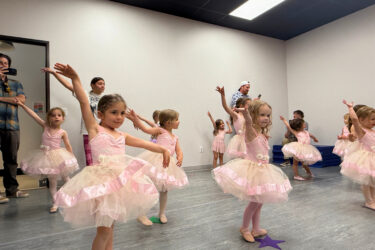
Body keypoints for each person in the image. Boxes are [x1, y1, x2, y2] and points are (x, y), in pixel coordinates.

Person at [53, 63, 170, 250]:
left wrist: (163, 150)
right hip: (101, 183)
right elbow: (83, 102)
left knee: (111, 225)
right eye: (114, 112)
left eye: (122, 113)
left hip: (119, 184)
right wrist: (75, 79)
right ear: (100, 114)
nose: (119, 117)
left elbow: (146, 143)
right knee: (104, 230)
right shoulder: (95, 129)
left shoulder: (122, 135)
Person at [212, 100, 292, 243]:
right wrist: (246, 113)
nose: (266, 118)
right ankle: (244, 228)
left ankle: (256, 228)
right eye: (262, 115)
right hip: (253, 171)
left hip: (263, 171)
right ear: (254, 115)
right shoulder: (250, 129)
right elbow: (248, 122)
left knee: (259, 202)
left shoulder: (261, 133)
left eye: (268, 115)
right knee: (253, 203)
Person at [129, 109, 189, 226]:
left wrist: (180, 156)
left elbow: (178, 149)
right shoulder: (160, 131)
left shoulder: (175, 137)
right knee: (149, 186)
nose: (179, 122)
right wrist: (135, 118)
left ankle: (161, 213)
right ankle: (141, 213)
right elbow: (145, 129)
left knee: (164, 190)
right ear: (168, 122)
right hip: (156, 161)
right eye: (176, 119)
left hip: (167, 164)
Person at [17, 102, 78, 213]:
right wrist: (23, 105)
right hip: (45, 158)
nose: (56, 117)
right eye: (53, 115)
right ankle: (55, 203)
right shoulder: (45, 126)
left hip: (59, 157)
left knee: (66, 179)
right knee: (53, 182)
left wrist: (71, 157)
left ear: (63, 118)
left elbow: (68, 145)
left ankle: (72, 196)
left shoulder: (63, 132)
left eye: (59, 115)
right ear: (49, 117)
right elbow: (33, 115)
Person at [42, 67, 105, 166]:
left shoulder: (106, 99)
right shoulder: (85, 94)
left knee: (102, 159)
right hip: (88, 131)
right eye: (100, 83)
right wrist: (54, 73)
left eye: (104, 84)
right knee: (90, 160)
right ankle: (91, 180)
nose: (102, 86)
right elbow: (68, 85)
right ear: (92, 85)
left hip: (102, 132)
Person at [0, 53, 29, 203]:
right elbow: (14, 100)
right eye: (0, 63)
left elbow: (20, 101)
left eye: (5, 63)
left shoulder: (16, 84)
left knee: (11, 160)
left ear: (9, 66)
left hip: (12, 126)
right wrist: (11, 100)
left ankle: (11, 190)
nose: (2, 65)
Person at [341, 100, 375, 210]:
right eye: (372, 119)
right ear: (361, 119)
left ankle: (373, 199)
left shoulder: (372, 131)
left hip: (373, 157)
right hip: (366, 158)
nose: (374, 121)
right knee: (366, 181)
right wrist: (350, 108)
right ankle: (369, 202)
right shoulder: (362, 131)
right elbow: (354, 120)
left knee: (372, 181)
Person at [280, 116, 322, 181]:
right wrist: (284, 120)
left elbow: (311, 135)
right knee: (295, 163)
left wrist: (315, 138)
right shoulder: (296, 132)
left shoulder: (306, 132)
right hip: (298, 149)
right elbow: (289, 126)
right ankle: (296, 175)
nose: (305, 124)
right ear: (299, 126)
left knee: (304, 163)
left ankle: (309, 172)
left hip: (306, 149)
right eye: (303, 123)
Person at [216, 86, 251, 158]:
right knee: (242, 159)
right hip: (241, 141)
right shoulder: (236, 115)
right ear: (241, 105)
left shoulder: (248, 116)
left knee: (249, 159)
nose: (250, 107)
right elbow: (225, 106)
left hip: (249, 139)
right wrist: (223, 95)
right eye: (248, 105)